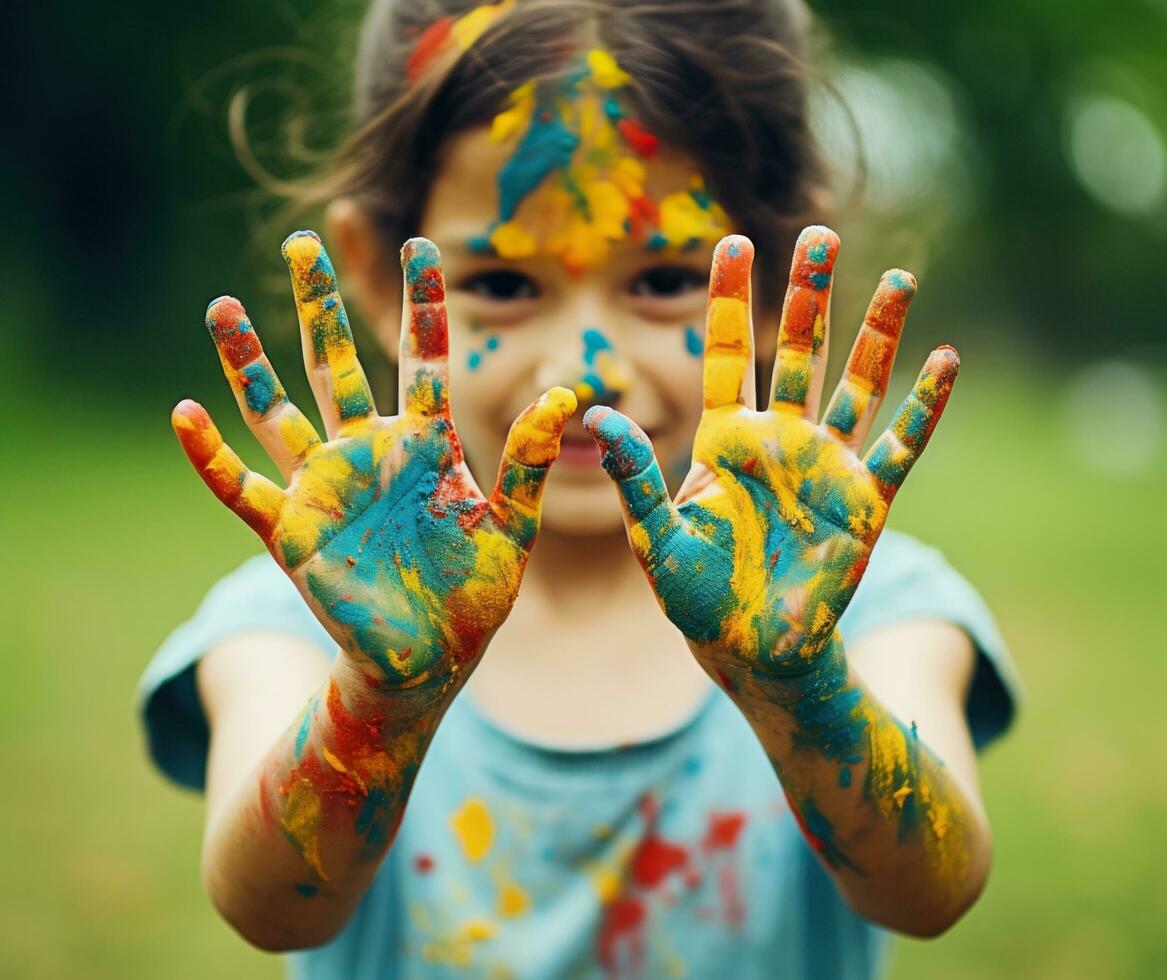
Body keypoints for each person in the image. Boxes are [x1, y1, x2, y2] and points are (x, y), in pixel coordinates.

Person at [138, 1, 1021, 977]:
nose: (584, 364)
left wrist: (800, 686)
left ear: (776, 284)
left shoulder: (861, 606)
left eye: (666, 276)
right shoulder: (305, 616)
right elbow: (269, 909)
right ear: (377, 281)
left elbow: (935, 888)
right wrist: (380, 702)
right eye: (506, 285)